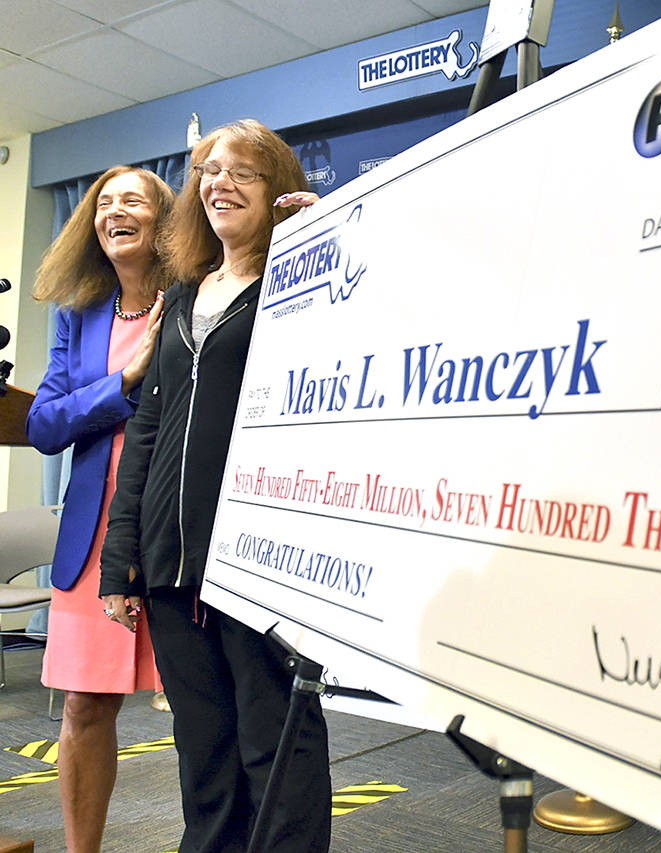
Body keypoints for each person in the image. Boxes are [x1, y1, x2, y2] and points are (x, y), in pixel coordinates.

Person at [99, 120, 330, 853]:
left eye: (243, 172)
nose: (219, 182)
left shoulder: (299, 287)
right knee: (204, 754)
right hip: (171, 568)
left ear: (276, 188)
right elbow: (146, 430)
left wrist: (322, 247)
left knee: (276, 749)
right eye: (209, 170)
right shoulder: (181, 294)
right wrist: (121, 555)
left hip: (259, 562)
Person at [25, 165, 172, 853]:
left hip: (176, 528)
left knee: (206, 708)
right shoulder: (77, 316)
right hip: (92, 543)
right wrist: (123, 381)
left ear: (164, 218)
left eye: (133, 200)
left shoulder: (196, 297)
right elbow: (45, 426)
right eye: (104, 202)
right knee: (84, 707)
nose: (116, 210)